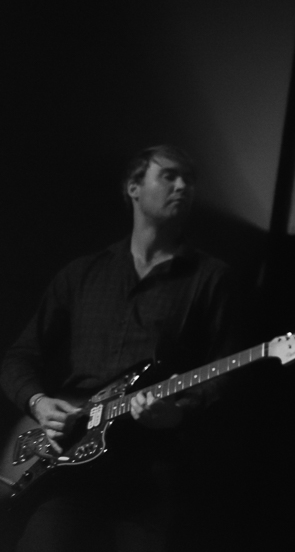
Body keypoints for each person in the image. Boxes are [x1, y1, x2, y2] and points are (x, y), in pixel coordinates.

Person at [0, 145, 239, 552]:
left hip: (150, 472)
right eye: (169, 175)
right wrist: (39, 402)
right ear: (133, 187)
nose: (184, 186)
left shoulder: (211, 277)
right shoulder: (83, 273)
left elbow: (225, 371)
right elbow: (19, 356)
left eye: (190, 180)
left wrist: (177, 413)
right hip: (72, 466)